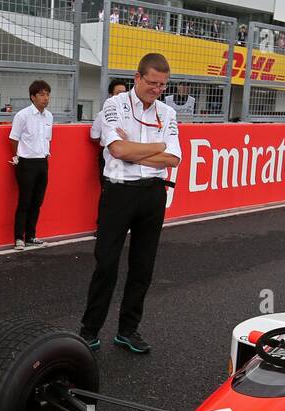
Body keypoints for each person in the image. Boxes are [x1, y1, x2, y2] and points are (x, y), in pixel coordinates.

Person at [79, 52, 181, 355]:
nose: (157, 89)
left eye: (162, 85)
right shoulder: (114, 105)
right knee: (106, 263)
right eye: (152, 83)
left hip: (153, 194)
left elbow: (173, 157)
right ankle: (89, 330)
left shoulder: (168, 113)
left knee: (143, 267)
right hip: (119, 192)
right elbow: (118, 149)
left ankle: (128, 330)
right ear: (137, 77)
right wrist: (156, 146)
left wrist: (139, 150)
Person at [9, 79, 53, 249]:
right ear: (33, 97)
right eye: (42, 94)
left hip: (43, 161)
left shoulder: (49, 116)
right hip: (26, 163)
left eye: (48, 94)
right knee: (25, 201)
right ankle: (19, 237)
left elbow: (47, 139)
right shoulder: (23, 115)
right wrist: (19, 157)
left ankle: (31, 236)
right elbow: (13, 139)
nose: (46, 98)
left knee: (37, 201)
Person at [90, 78, 129, 182]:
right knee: (109, 187)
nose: (121, 96)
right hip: (109, 154)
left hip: (128, 154)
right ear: (110, 95)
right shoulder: (102, 114)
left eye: (124, 93)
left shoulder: (132, 114)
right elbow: (94, 136)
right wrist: (108, 142)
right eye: (118, 93)